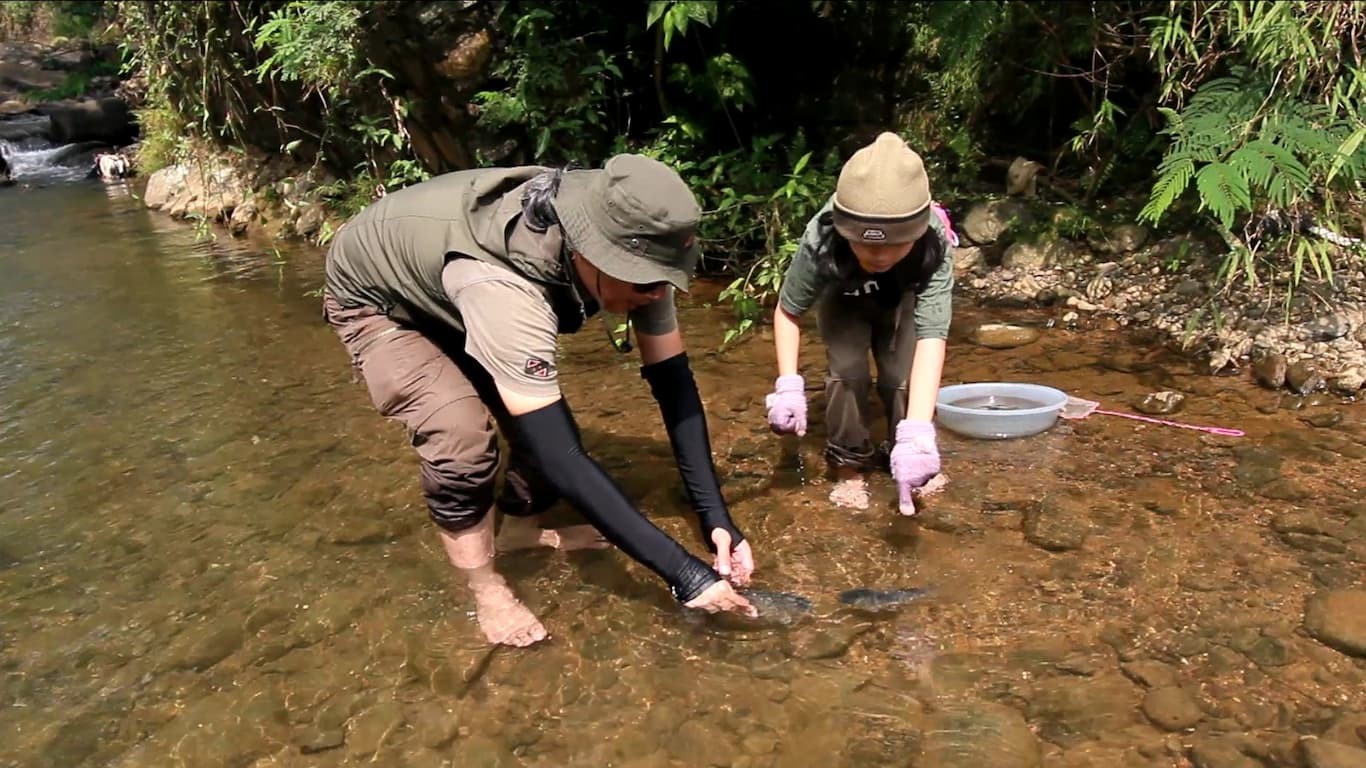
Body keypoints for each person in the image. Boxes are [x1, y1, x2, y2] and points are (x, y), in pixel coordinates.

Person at [321, 153, 758, 647]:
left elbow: (673, 383)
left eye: (666, 280)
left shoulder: (637, 246)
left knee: (534, 420)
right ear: (590, 255)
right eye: (645, 283)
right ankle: (486, 588)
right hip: (380, 301)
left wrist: (715, 518)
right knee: (463, 440)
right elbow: (562, 455)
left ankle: (521, 534)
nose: (658, 294)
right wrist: (685, 574)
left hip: (446, 275)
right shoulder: (505, 287)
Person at [764, 132, 958, 513]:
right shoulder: (821, 236)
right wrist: (788, 385)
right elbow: (788, 310)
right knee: (848, 372)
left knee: (900, 376)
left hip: (903, 296)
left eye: (895, 244)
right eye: (868, 244)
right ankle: (849, 464)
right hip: (843, 296)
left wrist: (919, 434)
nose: (881, 256)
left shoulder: (933, 239)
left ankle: (910, 458)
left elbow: (932, 336)